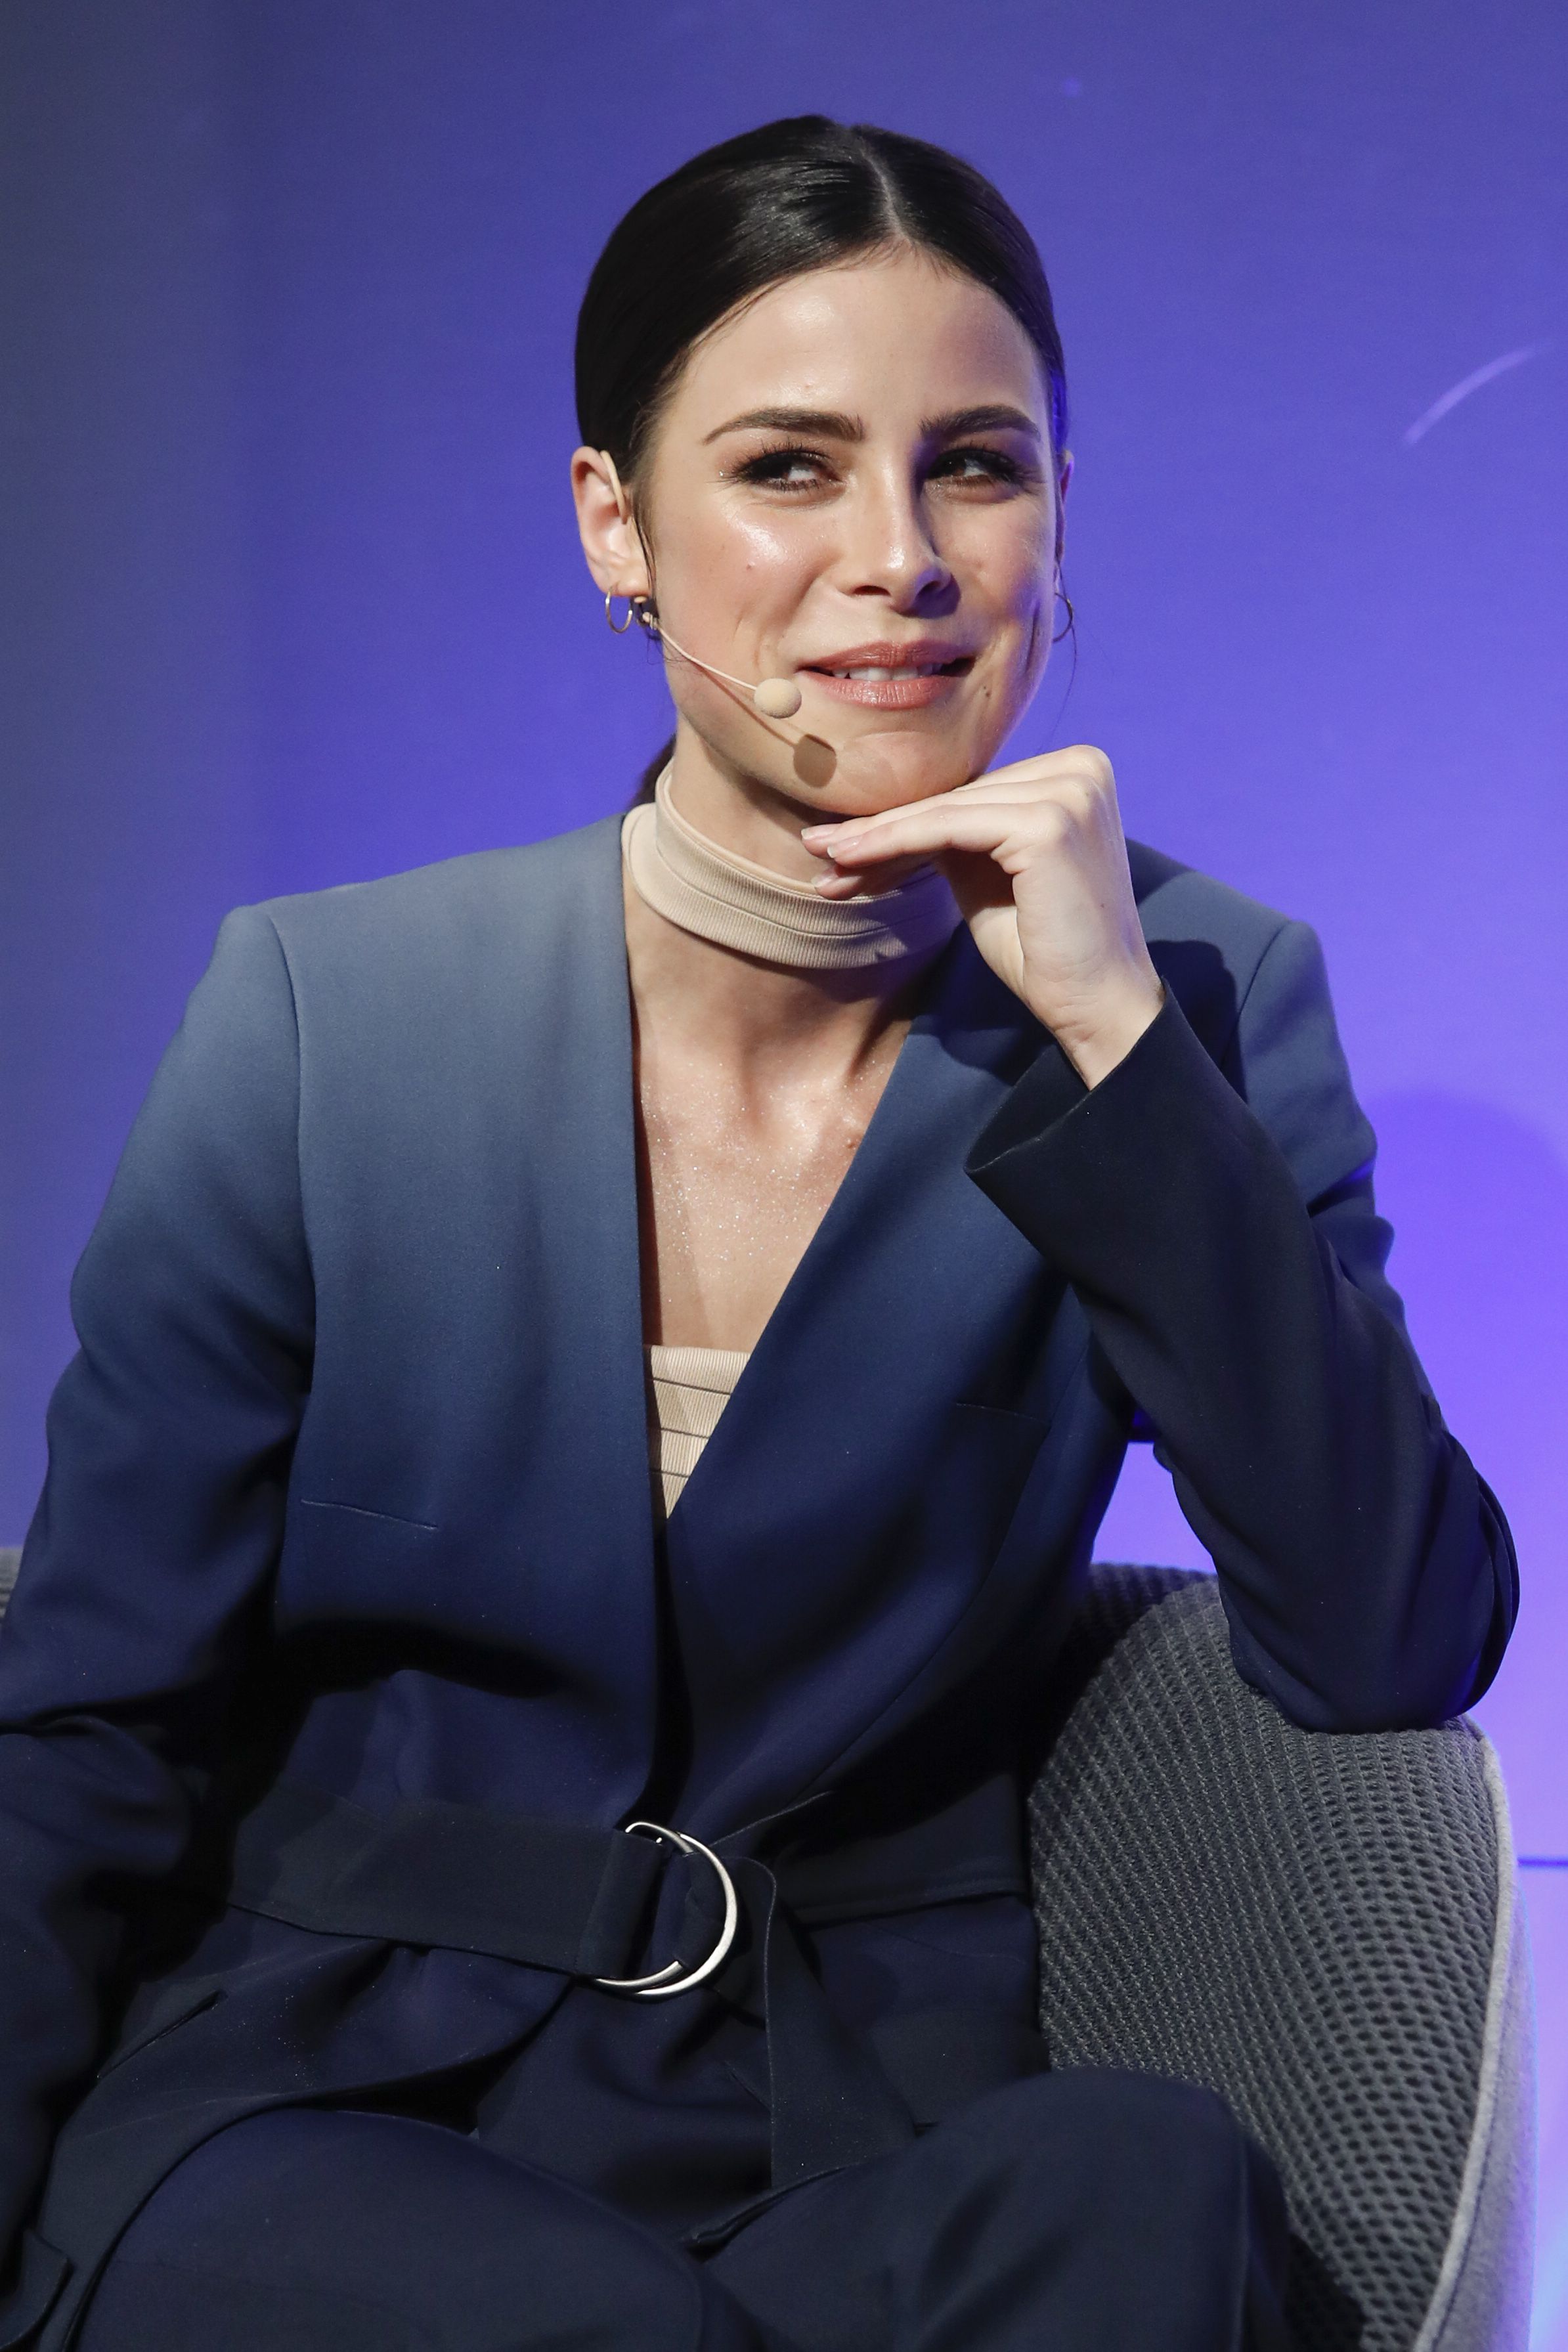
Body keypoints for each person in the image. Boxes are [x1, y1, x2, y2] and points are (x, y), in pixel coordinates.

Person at [0, 116, 1515, 2352]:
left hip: (845, 2123)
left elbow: (1385, 1636)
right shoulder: (326, 1011)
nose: (897, 558)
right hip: (333, 2110)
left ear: (1056, 515)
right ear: (618, 525)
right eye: (788, 468)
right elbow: (88, 1723)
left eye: (975, 467)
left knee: (1146, 2185)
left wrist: (1113, 1040)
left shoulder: (1199, 998)